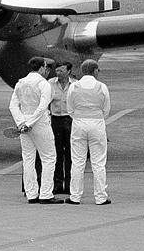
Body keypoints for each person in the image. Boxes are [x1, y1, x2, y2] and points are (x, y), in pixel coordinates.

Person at [9, 56, 62, 204]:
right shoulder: (43, 84)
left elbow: (13, 106)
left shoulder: (20, 83)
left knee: (28, 158)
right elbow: (43, 106)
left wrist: (21, 123)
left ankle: (31, 193)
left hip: (24, 122)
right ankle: (46, 194)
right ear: (41, 68)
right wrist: (29, 123)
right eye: (46, 67)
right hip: (39, 123)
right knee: (49, 157)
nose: (46, 70)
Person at [66, 59, 112, 205]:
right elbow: (106, 108)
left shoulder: (74, 86)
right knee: (98, 162)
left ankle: (75, 196)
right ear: (95, 70)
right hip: (97, 123)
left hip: (79, 122)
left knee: (77, 161)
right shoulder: (101, 87)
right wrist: (97, 117)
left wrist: (79, 116)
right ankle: (100, 196)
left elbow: (70, 108)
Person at [48, 60, 76, 195]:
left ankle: (69, 184)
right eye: (57, 70)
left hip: (70, 119)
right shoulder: (50, 84)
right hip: (56, 120)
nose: (58, 73)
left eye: (61, 70)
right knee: (57, 153)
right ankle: (58, 183)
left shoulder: (75, 85)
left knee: (71, 153)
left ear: (68, 71)